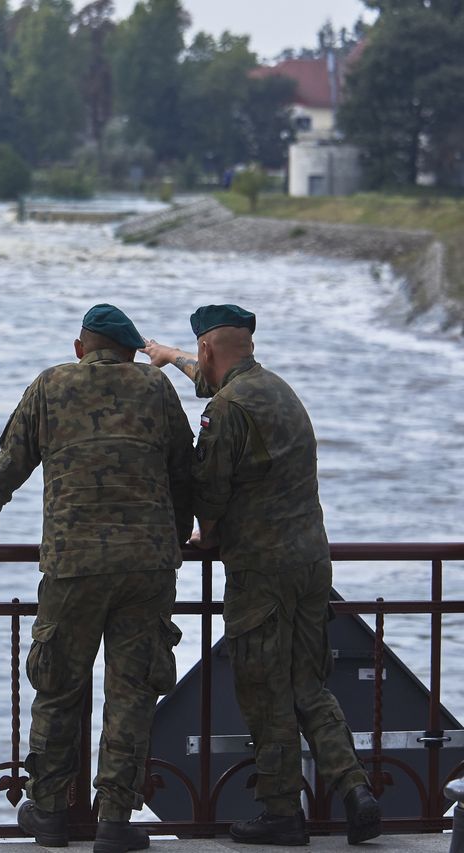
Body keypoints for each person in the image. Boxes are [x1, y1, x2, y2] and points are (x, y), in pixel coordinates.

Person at [145, 305, 381, 847]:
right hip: (310, 561)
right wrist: (171, 355)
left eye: (196, 352)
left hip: (262, 569)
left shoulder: (226, 410)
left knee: (263, 688)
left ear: (208, 348)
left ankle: (281, 812)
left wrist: (204, 532)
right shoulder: (279, 390)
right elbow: (215, 379)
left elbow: (210, 491)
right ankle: (354, 788)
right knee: (306, 681)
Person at [0, 304, 193, 853]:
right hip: (147, 566)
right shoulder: (156, 388)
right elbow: (186, 470)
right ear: (133, 351)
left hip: (74, 566)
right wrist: (180, 534)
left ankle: (49, 815)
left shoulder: (50, 386)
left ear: (79, 347)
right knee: (132, 692)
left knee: (59, 690)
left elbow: (10, 463)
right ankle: (114, 820)